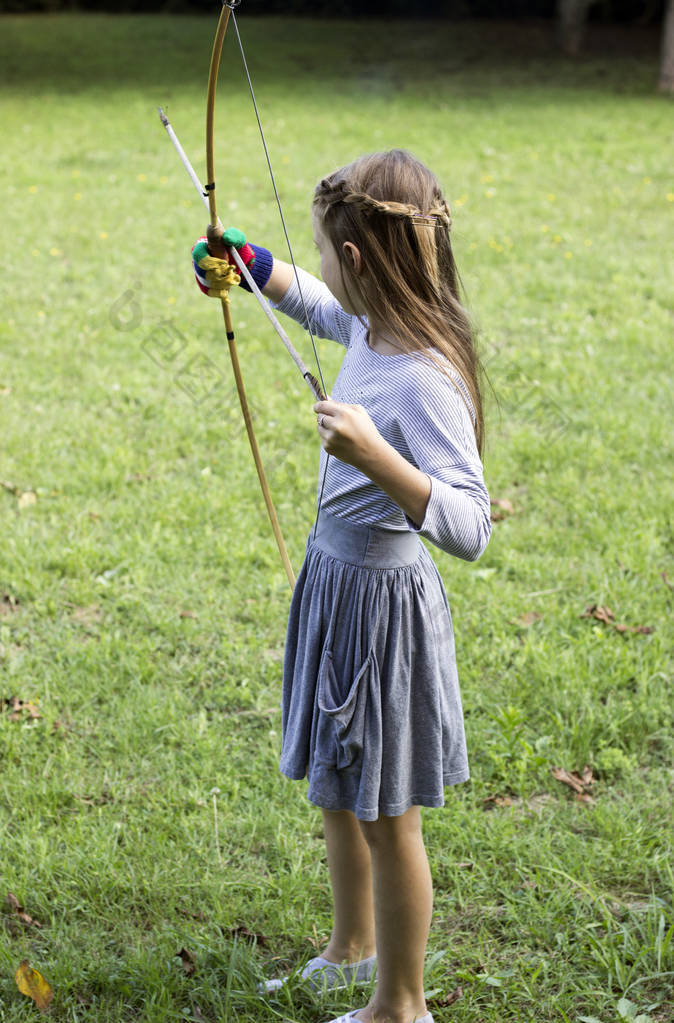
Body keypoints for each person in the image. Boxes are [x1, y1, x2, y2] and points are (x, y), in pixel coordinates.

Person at [192, 149, 491, 1023]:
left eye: (322, 251)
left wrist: (377, 456)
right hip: (336, 586)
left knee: (386, 810)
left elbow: (471, 526)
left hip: (385, 608)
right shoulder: (371, 325)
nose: (319, 266)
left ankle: (400, 1005)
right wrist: (251, 265)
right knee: (338, 782)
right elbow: (318, 305)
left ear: (359, 259)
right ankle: (351, 948)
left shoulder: (424, 375)